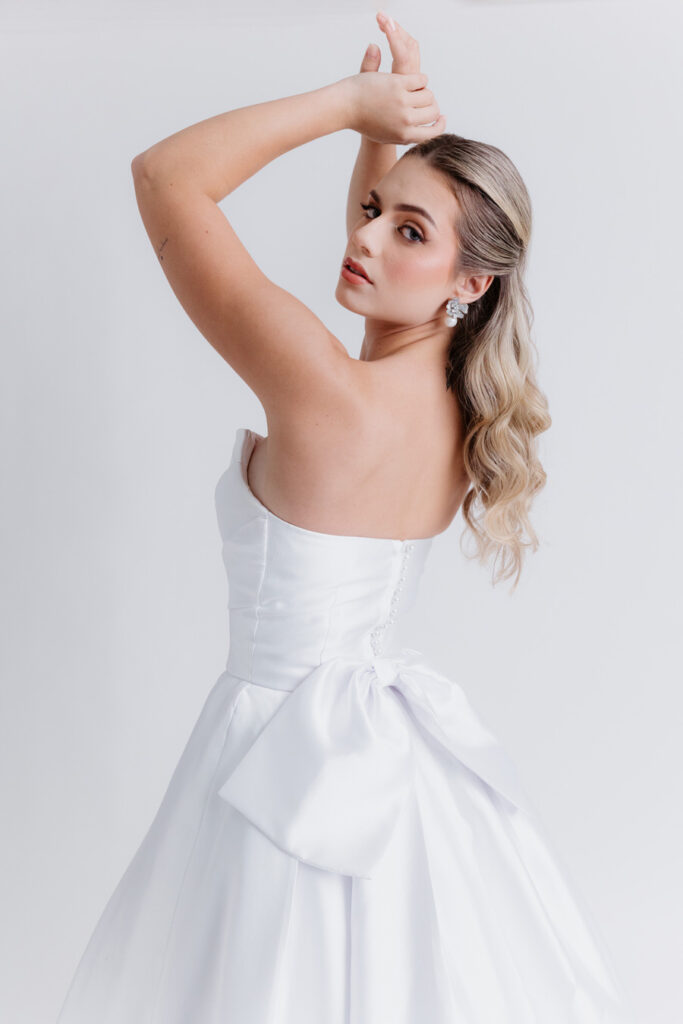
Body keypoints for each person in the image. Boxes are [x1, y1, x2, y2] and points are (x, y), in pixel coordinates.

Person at [56, 12, 634, 1023]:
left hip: (267, 754)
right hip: (391, 765)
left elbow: (165, 178)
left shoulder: (322, 391)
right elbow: (379, 303)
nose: (362, 237)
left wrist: (342, 105)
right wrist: (385, 142)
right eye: (372, 210)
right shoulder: (460, 412)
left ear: (470, 282)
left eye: (407, 231)